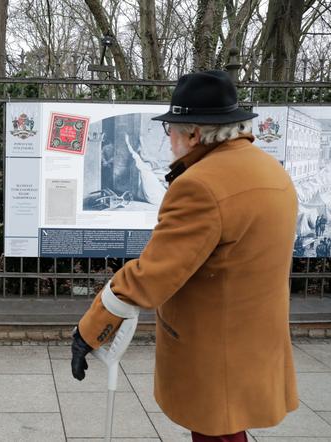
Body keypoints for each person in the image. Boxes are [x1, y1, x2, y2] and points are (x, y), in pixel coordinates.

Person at [70, 70, 299, 441]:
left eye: (171, 130)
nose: (169, 139)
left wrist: (88, 332)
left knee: (217, 435)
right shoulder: (270, 169)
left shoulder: (200, 185)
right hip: (256, 343)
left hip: (216, 350)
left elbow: (150, 276)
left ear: (193, 133)